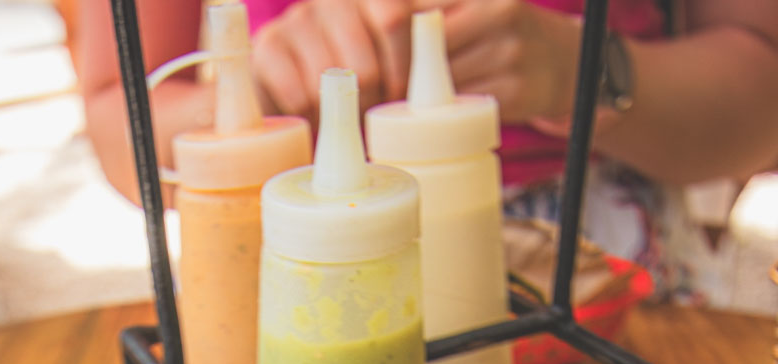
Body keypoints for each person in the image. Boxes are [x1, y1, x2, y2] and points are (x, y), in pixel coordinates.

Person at [73, 0, 778, 297]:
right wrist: (241, 102)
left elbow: (764, 98)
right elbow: (120, 126)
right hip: (302, 268)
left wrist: (584, 70)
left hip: (607, 282)